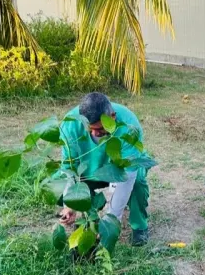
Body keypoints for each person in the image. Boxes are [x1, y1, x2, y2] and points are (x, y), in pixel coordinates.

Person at [57, 92, 152, 247]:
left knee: (138, 183)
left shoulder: (129, 125)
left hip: (120, 170)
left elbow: (127, 176)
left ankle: (139, 226)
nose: (95, 134)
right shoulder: (70, 125)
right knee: (56, 182)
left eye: (100, 129)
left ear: (112, 116)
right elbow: (69, 168)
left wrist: (112, 220)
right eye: (90, 129)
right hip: (88, 170)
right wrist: (70, 203)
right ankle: (89, 218)